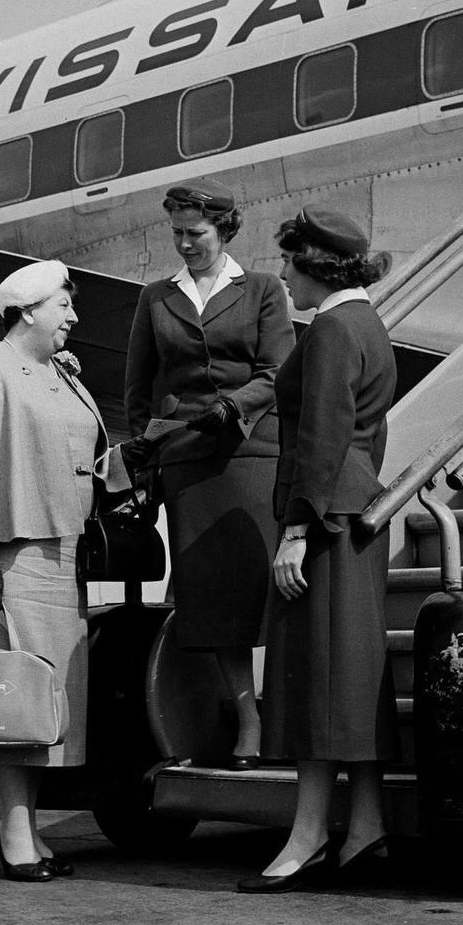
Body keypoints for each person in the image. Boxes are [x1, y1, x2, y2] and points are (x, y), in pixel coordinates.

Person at [0, 259, 126, 883]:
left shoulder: (61, 373)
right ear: (29, 310)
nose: (73, 318)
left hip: (60, 552)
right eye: (64, 307)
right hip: (10, 556)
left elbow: (86, 454)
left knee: (42, 699)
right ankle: (14, 836)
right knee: (8, 693)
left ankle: (28, 830)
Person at [238, 204, 400, 894]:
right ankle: (364, 827)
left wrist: (298, 530)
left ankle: (306, 836)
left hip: (327, 520)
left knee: (316, 682)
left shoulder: (333, 328)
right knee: (352, 680)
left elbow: (324, 432)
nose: (281, 276)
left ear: (315, 266)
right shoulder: (368, 324)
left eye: (287, 262)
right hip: (356, 510)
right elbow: (370, 432)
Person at [123, 178, 294, 767]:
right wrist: (149, 448)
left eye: (194, 233)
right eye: (177, 234)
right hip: (190, 464)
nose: (185, 245)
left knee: (263, 591)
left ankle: (285, 712)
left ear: (223, 230)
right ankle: (247, 721)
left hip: (251, 456)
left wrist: (235, 407)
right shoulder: (156, 297)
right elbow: (138, 385)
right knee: (216, 600)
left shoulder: (265, 290)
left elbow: (278, 372)